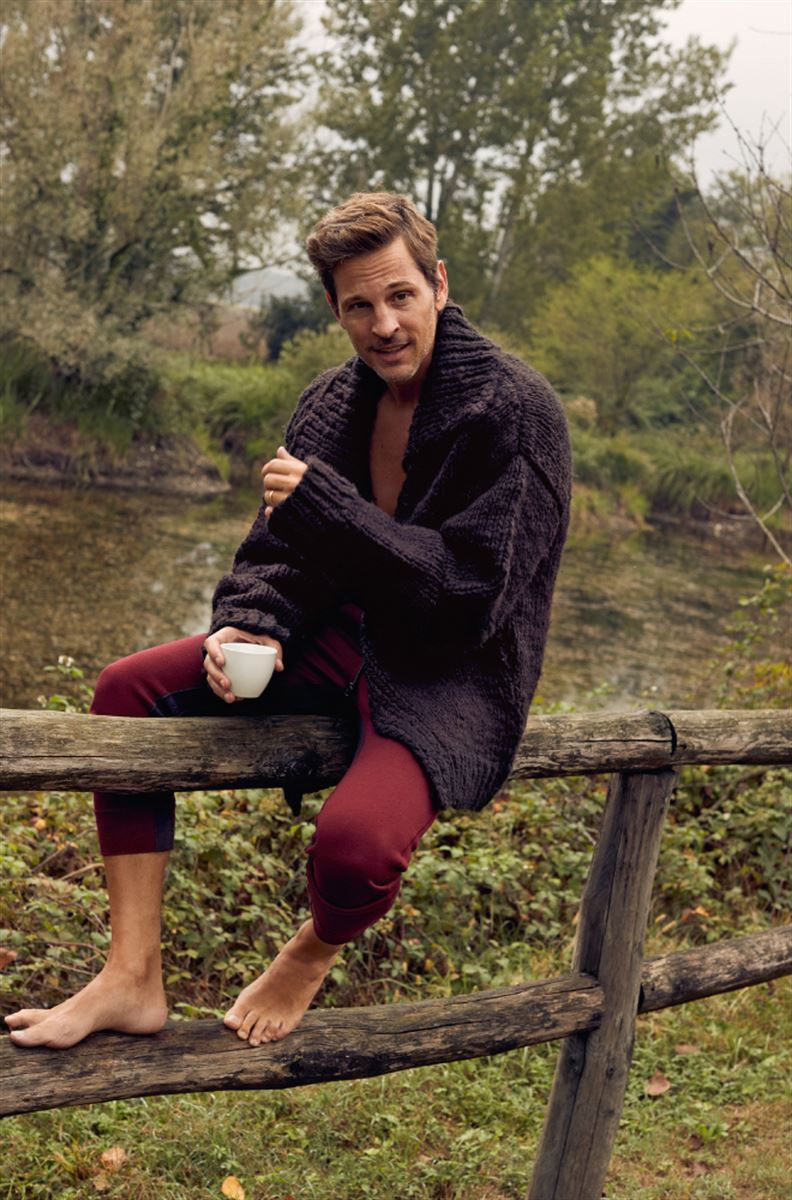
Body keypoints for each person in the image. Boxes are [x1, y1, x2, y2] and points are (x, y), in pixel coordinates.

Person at [6, 192, 571, 1051]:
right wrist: (251, 626)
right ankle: (131, 976)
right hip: (335, 639)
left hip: (452, 671)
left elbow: (471, 598)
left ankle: (309, 954)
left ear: (439, 284)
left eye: (401, 295)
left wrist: (333, 513)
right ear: (336, 311)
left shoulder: (516, 413)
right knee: (127, 691)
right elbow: (276, 554)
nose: (384, 324)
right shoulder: (329, 404)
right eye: (358, 305)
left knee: (354, 846)